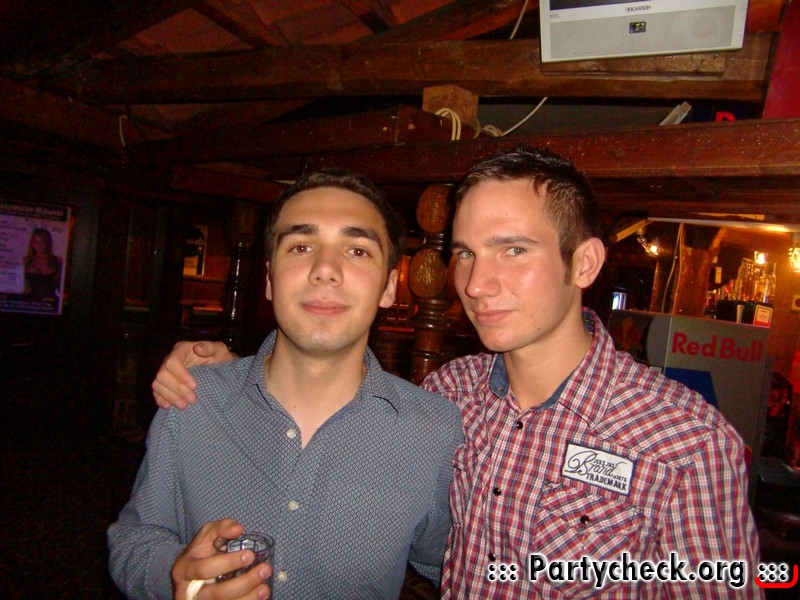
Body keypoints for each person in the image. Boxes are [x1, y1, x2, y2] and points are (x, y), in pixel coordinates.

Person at [153, 148, 763, 598]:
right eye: (467, 253)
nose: (475, 284)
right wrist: (231, 372)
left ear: (584, 263)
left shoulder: (688, 443)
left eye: (513, 250)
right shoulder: (451, 397)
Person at [109, 169, 464, 600]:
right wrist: (173, 575)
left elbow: (462, 568)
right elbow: (133, 538)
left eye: (357, 250)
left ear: (389, 287)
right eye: (301, 246)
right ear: (270, 279)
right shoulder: (191, 400)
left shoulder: (434, 431)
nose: (325, 270)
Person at [23, 227, 62, 298]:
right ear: (32, 243)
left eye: (42, 242)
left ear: (48, 243)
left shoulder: (57, 261)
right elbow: (24, 286)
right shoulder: (27, 260)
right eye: (36, 242)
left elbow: (61, 287)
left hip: (50, 301)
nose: (39, 246)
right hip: (32, 300)